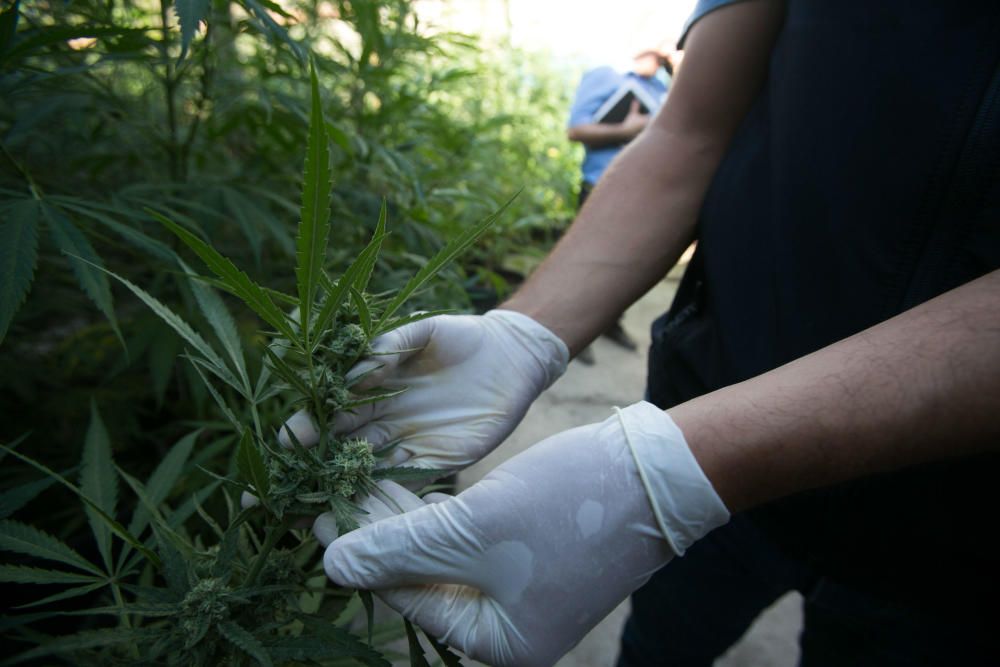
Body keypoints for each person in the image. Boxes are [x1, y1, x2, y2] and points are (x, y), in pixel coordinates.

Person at [292, 1, 999, 665]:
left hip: (951, 536)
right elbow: (692, 131)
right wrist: (524, 331)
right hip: (716, 421)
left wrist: (665, 473)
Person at [566, 49, 671, 359]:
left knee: (628, 263)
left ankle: (611, 323)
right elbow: (576, 130)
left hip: (646, 187)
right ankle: (574, 334)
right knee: (587, 261)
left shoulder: (662, 87)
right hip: (603, 184)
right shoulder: (606, 75)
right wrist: (625, 130)